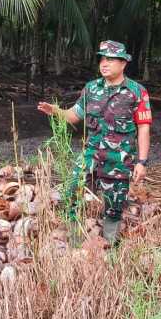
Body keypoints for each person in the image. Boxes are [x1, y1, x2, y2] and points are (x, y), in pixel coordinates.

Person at [38, 40, 152, 244]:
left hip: (119, 159)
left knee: (114, 206)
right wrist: (54, 111)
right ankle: (75, 242)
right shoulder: (91, 89)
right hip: (90, 154)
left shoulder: (136, 91)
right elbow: (74, 116)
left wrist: (142, 162)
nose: (104, 63)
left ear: (123, 63)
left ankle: (110, 247)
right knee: (72, 192)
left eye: (110, 59)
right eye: (102, 58)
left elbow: (143, 127)